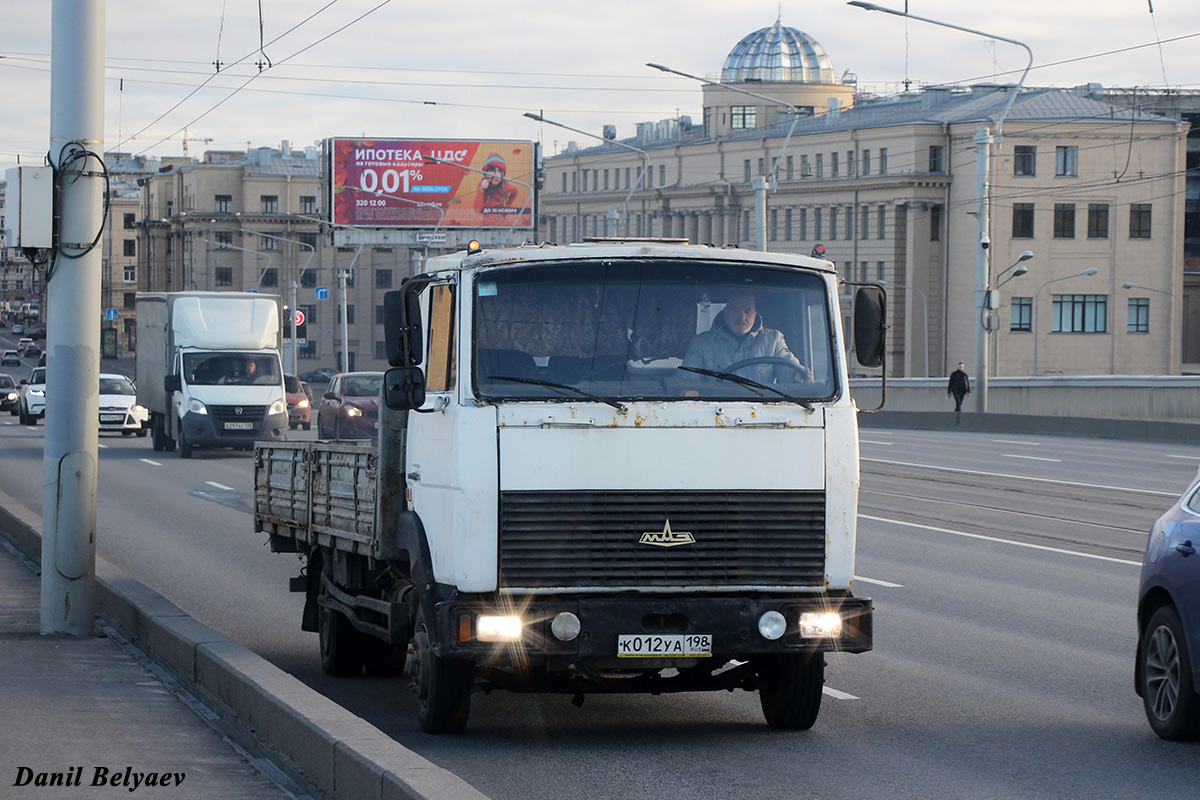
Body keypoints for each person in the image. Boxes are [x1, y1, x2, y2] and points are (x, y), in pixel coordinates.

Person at [682, 291, 811, 389]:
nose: (742, 317)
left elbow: (787, 368)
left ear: (755, 314)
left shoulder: (773, 340)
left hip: (763, 412)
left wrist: (797, 375)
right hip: (714, 413)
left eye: (747, 311)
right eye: (736, 310)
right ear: (725, 313)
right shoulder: (702, 343)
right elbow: (687, 381)